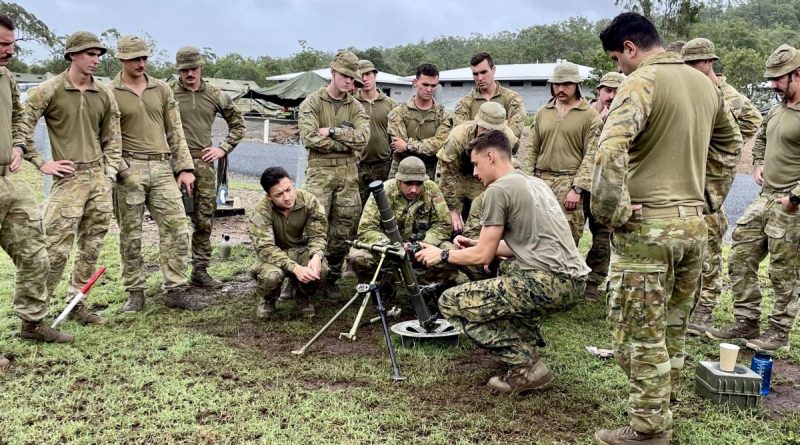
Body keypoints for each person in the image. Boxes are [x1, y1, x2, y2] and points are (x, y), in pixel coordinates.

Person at [592, 13, 741, 445]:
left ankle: (649, 430)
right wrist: (710, 197)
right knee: (672, 328)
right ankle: (660, 411)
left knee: (638, 335)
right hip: (695, 229)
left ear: (631, 48)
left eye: (617, 58)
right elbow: (730, 144)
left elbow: (609, 150)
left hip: (649, 232)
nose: (619, 67)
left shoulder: (641, 82)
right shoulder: (704, 85)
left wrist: (613, 210)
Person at [415, 130, 589, 394]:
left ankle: (525, 366)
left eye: (475, 164)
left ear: (490, 156)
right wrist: (482, 245)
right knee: (507, 272)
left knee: (452, 301)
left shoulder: (499, 190)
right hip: (574, 281)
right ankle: (526, 341)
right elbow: (528, 242)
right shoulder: (534, 183)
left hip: (549, 281)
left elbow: (481, 258)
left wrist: (441, 254)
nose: (474, 173)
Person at [20, 31, 121, 324]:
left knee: (91, 247)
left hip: (99, 179)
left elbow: (113, 139)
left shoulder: (104, 93)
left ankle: (77, 304)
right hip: (68, 179)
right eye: (90, 53)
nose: (96, 59)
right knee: (55, 250)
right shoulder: (48, 90)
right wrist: (42, 163)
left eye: (99, 54)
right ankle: (35, 318)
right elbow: (21, 130)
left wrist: (109, 173)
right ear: (73, 55)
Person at [706, 44, 800, 352]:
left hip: (791, 203)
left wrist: (794, 198)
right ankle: (746, 320)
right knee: (740, 254)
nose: (773, 85)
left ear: (797, 74)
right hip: (766, 197)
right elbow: (761, 137)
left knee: (783, 271)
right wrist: (758, 163)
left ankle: (779, 332)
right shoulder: (778, 107)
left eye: (778, 79)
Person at [0, 14, 72, 372]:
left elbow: (17, 118)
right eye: (2, 45)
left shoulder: (6, 77)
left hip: (8, 181)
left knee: (35, 254)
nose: (8, 51)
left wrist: (16, 146)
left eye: (11, 44)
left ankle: (32, 323)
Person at [679, 38, 763, 336]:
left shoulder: (728, 95)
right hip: (688, 177)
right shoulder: (691, 91)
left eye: (693, 64)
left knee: (710, 247)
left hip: (711, 179)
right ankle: (688, 305)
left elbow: (754, 121)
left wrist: (724, 145)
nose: (688, 70)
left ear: (709, 63)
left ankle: (704, 311)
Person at [110, 35, 197, 312]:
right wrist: (120, 169)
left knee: (177, 228)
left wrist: (184, 168)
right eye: (135, 58)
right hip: (128, 168)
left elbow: (175, 130)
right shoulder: (109, 91)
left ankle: (175, 288)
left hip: (161, 167)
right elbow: (104, 136)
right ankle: (135, 292)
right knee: (131, 234)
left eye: (145, 57)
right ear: (122, 59)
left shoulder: (161, 89)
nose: (141, 62)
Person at [170, 46, 245, 290]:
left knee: (203, 220)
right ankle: (174, 276)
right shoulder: (167, 93)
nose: (189, 74)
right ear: (178, 70)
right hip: (172, 165)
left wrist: (223, 148)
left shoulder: (215, 94)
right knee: (175, 222)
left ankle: (200, 270)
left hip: (203, 164)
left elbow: (238, 123)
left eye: (193, 68)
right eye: (184, 69)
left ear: (201, 67)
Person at [297, 49, 369, 301]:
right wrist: (345, 144)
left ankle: (333, 277)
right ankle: (301, 278)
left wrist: (333, 132)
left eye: (353, 78)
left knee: (344, 229)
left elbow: (363, 138)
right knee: (312, 225)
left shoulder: (356, 106)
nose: (349, 82)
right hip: (319, 173)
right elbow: (310, 138)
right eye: (345, 76)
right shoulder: (312, 103)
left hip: (348, 176)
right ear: (333, 73)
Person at [348, 156, 456, 295]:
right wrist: (392, 246)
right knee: (360, 257)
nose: (414, 190)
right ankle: (380, 287)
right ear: (399, 180)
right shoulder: (383, 192)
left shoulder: (431, 189)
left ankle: (429, 288)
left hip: (420, 248)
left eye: (419, 184)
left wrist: (420, 244)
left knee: (449, 252)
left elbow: (443, 225)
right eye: (409, 183)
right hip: (388, 249)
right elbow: (366, 228)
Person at [523, 62, 602, 246]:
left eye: (566, 84)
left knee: (566, 238)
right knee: (535, 233)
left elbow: (592, 155)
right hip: (541, 180)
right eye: (556, 84)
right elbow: (532, 149)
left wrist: (577, 188)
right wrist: (527, 182)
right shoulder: (543, 113)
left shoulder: (589, 116)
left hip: (568, 182)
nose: (560, 89)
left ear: (576, 85)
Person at [249, 167, 328, 319]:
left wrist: (316, 256)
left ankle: (303, 295)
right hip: (274, 255)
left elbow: (318, 234)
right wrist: (294, 268)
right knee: (271, 276)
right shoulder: (261, 210)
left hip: (301, 251)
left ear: (292, 183)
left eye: (288, 189)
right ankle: (268, 300)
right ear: (269, 196)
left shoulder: (309, 201)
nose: (287, 197)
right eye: (279, 194)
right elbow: (265, 247)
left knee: (321, 269)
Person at [437, 101, 518, 233]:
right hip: (458, 174)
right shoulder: (458, 138)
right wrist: (452, 209)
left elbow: (505, 171)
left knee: (483, 212)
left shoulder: (508, 138)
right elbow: (447, 174)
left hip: (485, 174)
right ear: (477, 124)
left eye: (493, 131)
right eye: (484, 129)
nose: (487, 135)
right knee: (452, 221)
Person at [582, 71, 624, 300]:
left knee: (602, 238)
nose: (611, 95)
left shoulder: (624, 115)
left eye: (617, 91)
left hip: (606, 186)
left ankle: (593, 282)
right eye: (607, 90)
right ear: (599, 90)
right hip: (580, 185)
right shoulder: (585, 113)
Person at [387, 63, 452, 180]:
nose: (429, 90)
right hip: (401, 169)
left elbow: (439, 145)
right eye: (425, 84)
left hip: (430, 171)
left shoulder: (443, 115)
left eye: (433, 85)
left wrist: (408, 146)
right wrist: (422, 147)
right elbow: (398, 145)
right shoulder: (399, 112)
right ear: (415, 82)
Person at [452, 52, 525, 153]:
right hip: (473, 159)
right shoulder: (465, 103)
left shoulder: (512, 99)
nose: (480, 78)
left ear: (493, 70)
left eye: (483, 72)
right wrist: (501, 125)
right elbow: (460, 134)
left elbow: (514, 134)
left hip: (503, 158)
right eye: (475, 74)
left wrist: (477, 127)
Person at [355, 59, 397, 205]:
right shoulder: (352, 103)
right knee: (358, 206)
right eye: (360, 75)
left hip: (383, 165)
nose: (364, 79)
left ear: (375, 75)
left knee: (383, 205)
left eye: (368, 74)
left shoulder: (389, 104)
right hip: (358, 165)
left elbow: (396, 134)